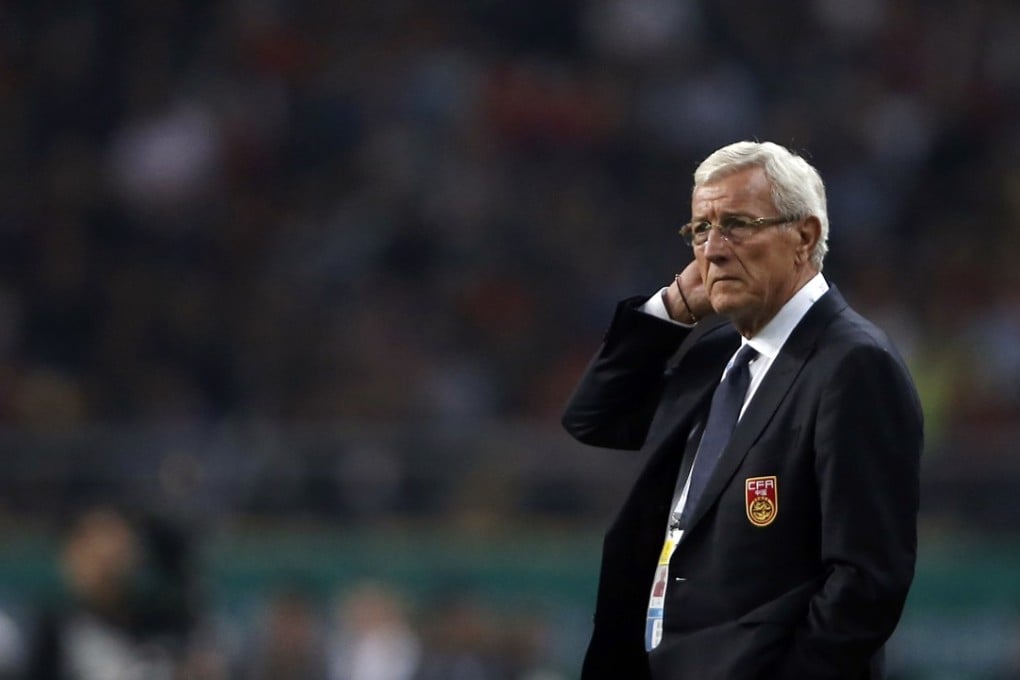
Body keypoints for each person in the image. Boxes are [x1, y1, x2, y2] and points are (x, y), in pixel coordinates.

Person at [562, 141, 923, 680]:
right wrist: (674, 307)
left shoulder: (852, 364)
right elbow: (595, 417)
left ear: (805, 237)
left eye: (736, 225)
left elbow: (866, 582)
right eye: (700, 230)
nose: (713, 250)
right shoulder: (715, 355)